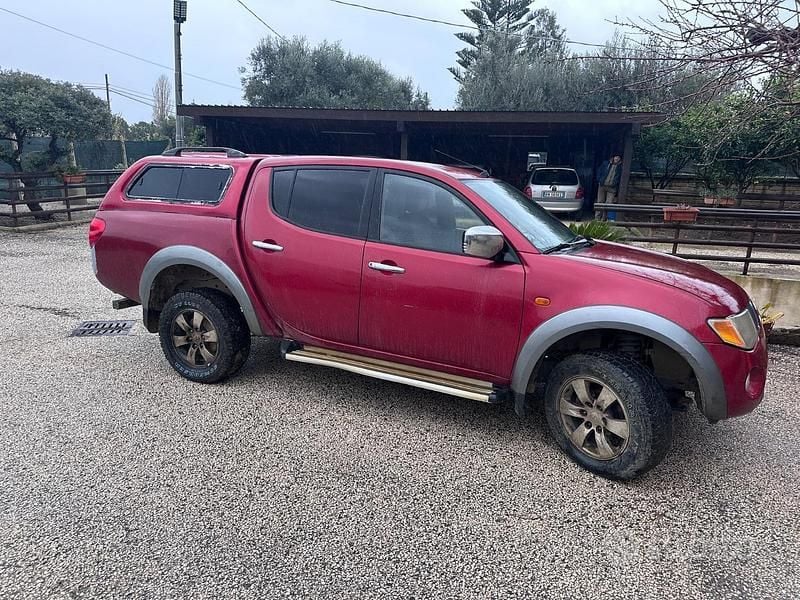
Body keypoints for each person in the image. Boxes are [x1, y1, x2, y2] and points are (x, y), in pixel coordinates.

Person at [596, 154, 622, 220]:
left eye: (618, 157)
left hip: (612, 188)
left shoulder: (620, 167)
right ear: (613, 157)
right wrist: (599, 179)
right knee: (600, 202)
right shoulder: (606, 163)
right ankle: (597, 218)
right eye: (616, 157)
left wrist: (615, 184)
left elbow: (620, 178)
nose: (617, 158)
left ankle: (604, 219)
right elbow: (599, 171)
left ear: (620, 159)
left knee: (609, 204)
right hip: (602, 185)